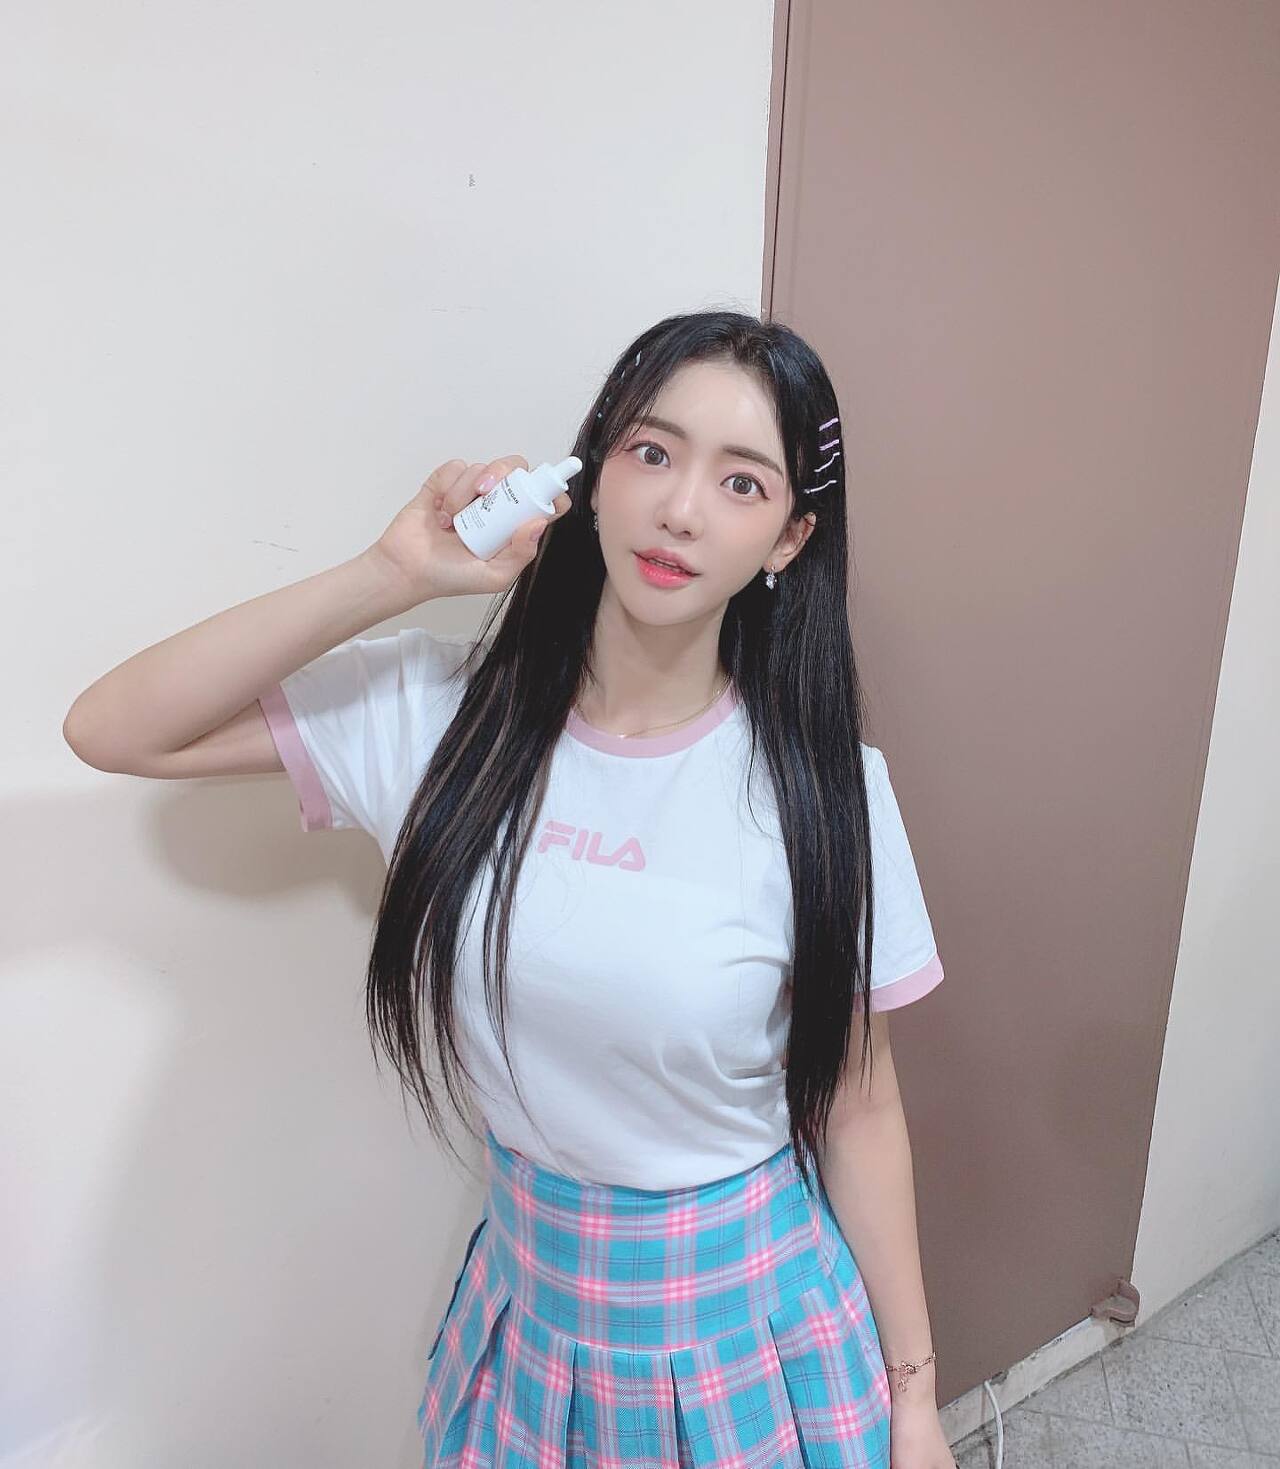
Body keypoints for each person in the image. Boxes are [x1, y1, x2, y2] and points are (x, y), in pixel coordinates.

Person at [63, 310, 955, 1469]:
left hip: (755, 1331)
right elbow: (116, 728)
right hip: (530, 1315)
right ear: (592, 474)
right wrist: (389, 574)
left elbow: (859, 1102)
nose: (681, 508)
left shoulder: (826, 790)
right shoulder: (436, 717)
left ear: (787, 537)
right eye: (651, 451)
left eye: (740, 482)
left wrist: (913, 1399)